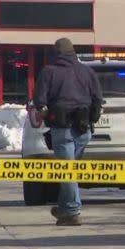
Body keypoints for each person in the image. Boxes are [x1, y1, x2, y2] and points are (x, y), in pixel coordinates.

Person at [33, 38, 103, 226]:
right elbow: (98, 98)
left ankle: (71, 211)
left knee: (67, 171)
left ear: (56, 53)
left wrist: (46, 113)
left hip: (62, 129)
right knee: (70, 171)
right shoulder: (87, 71)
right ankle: (64, 208)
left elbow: (40, 101)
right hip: (84, 128)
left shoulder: (49, 72)